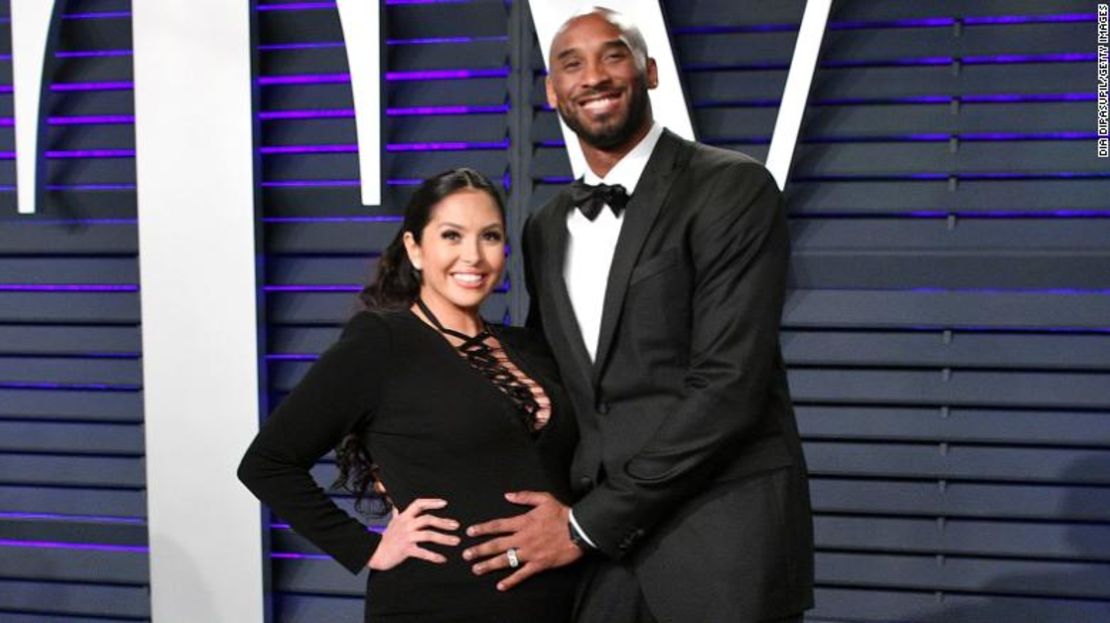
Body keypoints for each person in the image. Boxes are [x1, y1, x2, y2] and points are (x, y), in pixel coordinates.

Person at [459, 9, 814, 623]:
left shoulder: (731, 187)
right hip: (603, 562)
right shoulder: (545, 227)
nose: (592, 76)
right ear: (552, 91)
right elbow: (555, 388)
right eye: (571, 63)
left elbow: (729, 386)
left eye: (612, 56)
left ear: (649, 72)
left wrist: (583, 526)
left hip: (720, 544)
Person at [237, 168, 580, 622]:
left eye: (490, 237)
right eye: (452, 236)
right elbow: (267, 463)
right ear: (415, 249)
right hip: (434, 605)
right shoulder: (383, 342)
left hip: (557, 607)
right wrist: (367, 546)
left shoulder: (531, 346)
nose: (473, 256)